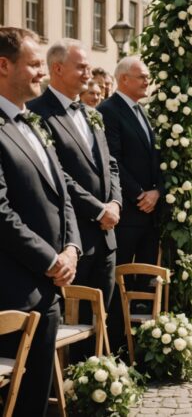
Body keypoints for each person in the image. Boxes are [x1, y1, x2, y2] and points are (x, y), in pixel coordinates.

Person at [0, 27, 81, 416]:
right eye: (34, 64)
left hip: (48, 289)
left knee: (35, 399)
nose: (42, 73)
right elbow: (0, 213)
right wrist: (51, 260)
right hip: (11, 291)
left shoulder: (32, 122)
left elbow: (62, 192)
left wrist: (71, 248)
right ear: (3, 65)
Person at [28, 39, 122, 361]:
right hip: (75, 235)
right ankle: (75, 387)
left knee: (100, 319)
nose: (88, 74)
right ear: (57, 69)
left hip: (108, 236)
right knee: (75, 324)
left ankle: (96, 384)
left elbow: (110, 164)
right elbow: (58, 176)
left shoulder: (91, 113)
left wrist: (116, 204)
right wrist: (97, 210)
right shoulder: (39, 114)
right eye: (81, 67)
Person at [97, 56, 163, 350]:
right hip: (128, 211)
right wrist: (140, 194)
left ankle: (140, 343)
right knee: (120, 280)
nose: (147, 81)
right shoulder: (108, 111)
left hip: (150, 210)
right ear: (124, 79)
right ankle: (117, 344)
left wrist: (158, 191)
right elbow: (113, 160)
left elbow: (154, 158)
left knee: (143, 281)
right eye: (142, 76)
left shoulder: (141, 111)